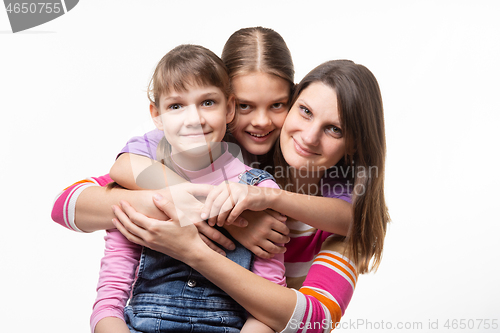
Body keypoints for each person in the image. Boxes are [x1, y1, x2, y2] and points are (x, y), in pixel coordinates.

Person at [112, 59, 390, 332]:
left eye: (335, 129)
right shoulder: (202, 150)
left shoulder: (339, 207)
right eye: (305, 111)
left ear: (354, 144)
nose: (309, 136)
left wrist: (269, 200)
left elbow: (317, 321)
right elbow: (78, 198)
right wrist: (225, 217)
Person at [93, 44, 287, 333]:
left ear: (229, 108)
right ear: (156, 115)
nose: (194, 118)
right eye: (176, 106)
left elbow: (267, 308)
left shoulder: (258, 189)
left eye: (208, 102)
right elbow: (110, 299)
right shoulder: (137, 185)